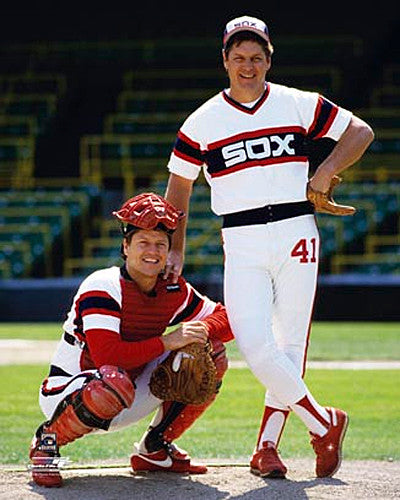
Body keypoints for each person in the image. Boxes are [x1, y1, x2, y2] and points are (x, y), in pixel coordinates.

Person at [164, 15, 374, 479]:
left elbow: (360, 132)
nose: (247, 65)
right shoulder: (202, 121)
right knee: (256, 343)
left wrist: (325, 171)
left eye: (256, 57)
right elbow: (178, 190)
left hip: (297, 227)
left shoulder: (296, 103)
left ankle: (266, 447)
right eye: (238, 56)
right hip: (240, 237)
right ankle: (323, 422)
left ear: (269, 59)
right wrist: (175, 249)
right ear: (224, 60)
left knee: (290, 342)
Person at [29, 192, 234, 488]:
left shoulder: (173, 289)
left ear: (168, 250)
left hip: (128, 388)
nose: (153, 251)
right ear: (125, 247)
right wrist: (168, 341)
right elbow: (108, 358)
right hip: (71, 391)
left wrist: (196, 332)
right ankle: (47, 441)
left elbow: (226, 321)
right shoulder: (102, 285)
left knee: (211, 352)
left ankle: (154, 448)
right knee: (113, 378)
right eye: (143, 243)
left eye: (160, 244)